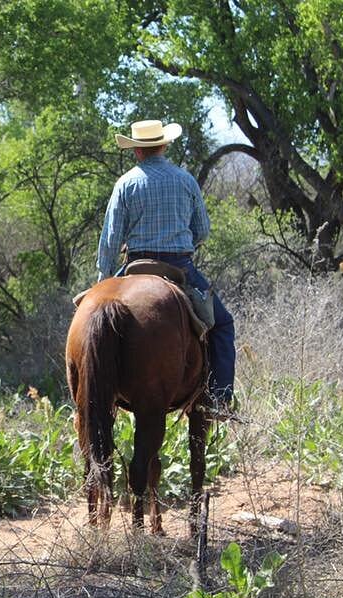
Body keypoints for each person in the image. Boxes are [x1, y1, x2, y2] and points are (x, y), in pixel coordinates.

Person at [97, 119, 236, 416]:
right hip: (179, 267)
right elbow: (203, 231)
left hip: (135, 265)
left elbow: (110, 238)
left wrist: (103, 277)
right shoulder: (185, 180)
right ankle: (219, 399)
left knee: (92, 318)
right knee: (222, 324)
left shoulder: (126, 183)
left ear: (137, 151)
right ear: (163, 145)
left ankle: (94, 398)